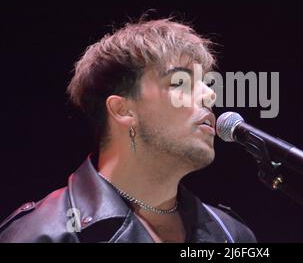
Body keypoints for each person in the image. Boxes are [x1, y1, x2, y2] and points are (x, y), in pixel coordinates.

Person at [0, 17, 256, 243]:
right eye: (181, 82)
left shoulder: (232, 235)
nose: (210, 95)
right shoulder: (40, 235)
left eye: (206, 83)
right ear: (122, 110)